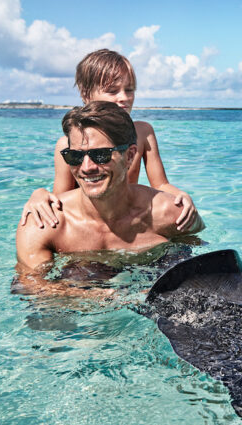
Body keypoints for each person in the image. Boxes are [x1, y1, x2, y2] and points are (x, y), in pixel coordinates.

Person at [15, 101, 204, 297]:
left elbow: (205, 260)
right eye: (75, 156)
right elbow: (30, 287)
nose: (87, 167)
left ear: (130, 156)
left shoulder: (170, 214)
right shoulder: (44, 224)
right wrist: (104, 297)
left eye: (101, 155)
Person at [20, 49, 197, 232]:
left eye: (129, 90)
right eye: (112, 91)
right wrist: (39, 195)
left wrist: (180, 195)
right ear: (86, 94)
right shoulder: (67, 145)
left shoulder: (143, 132)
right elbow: (61, 199)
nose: (124, 98)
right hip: (92, 226)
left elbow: (160, 184)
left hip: (130, 220)